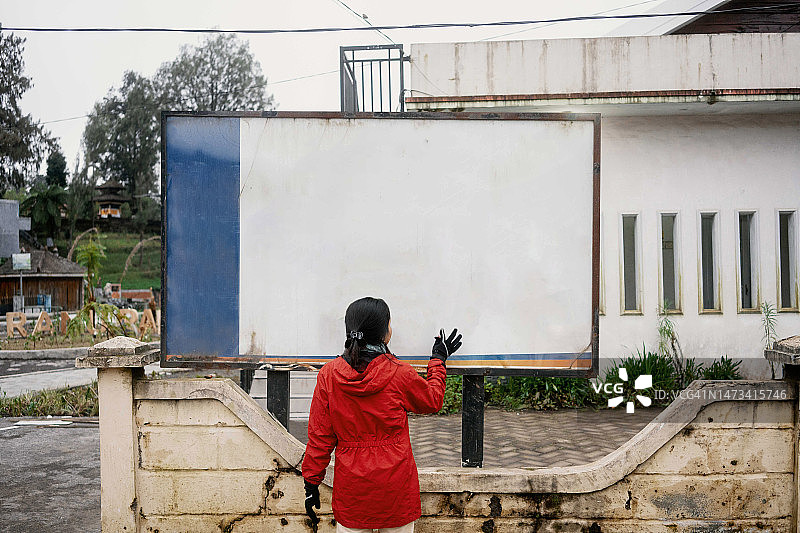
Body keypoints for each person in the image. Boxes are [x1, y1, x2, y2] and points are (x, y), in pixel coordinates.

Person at [302, 297, 462, 533]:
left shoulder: (329, 375)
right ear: (385, 333)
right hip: (396, 489)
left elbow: (320, 437)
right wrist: (438, 359)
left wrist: (311, 482)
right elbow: (433, 400)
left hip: (352, 493)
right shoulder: (399, 373)